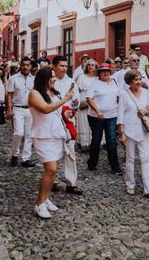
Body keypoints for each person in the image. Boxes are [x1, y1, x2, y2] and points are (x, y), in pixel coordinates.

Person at [28, 67, 74, 219]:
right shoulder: (34, 93)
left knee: (54, 171)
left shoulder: (54, 93)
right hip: (42, 136)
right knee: (50, 169)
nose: (55, 79)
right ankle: (39, 204)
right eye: (52, 76)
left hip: (55, 134)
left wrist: (66, 113)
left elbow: (56, 111)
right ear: (44, 78)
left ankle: (46, 199)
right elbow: (45, 109)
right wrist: (65, 99)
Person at [117, 70, 149, 198]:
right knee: (130, 159)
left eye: (140, 79)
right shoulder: (124, 95)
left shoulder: (147, 93)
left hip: (143, 129)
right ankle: (130, 184)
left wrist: (145, 111)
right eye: (136, 79)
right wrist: (122, 133)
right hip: (129, 131)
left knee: (145, 159)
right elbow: (120, 115)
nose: (139, 81)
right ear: (130, 82)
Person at [51, 55, 83, 195]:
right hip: (53, 120)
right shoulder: (50, 82)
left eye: (65, 66)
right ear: (54, 66)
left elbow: (76, 101)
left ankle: (71, 183)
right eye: (61, 66)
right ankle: (53, 180)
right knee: (54, 151)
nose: (64, 68)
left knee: (70, 152)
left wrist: (72, 111)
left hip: (68, 120)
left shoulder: (71, 83)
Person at [85, 62, 122, 174]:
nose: (105, 73)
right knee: (96, 140)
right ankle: (92, 163)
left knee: (111, 141)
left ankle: (115, 167)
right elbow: (89, 98)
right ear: (99, 73)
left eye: (107, 71)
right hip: (96, 117)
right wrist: (98, 111)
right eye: (103, 71)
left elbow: (119, 96)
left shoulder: (114, 82)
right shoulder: (94, 83)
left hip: (112, 116)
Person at [6, 57, 36, 167]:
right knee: (18, 132)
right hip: (17, 108)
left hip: (30, 109)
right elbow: (9, 95)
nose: (25, 67)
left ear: (31, 66)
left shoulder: (34, 79)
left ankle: (25, 158)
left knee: (29, 134)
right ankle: (15, 154)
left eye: (28, 65)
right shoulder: (13, 78)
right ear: (20, 66)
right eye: (23, 65)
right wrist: (9, 109)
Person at [76, 59, 98, 151]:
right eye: (89, 65)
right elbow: (76, 91)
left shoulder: (97, 78)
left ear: (96, 67)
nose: (90, 66)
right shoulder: (81, 77)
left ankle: (94, 143)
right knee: (83, 122)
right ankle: (84, 143)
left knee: (94, 123)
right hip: (83, 102)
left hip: (94, 103)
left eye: (92, 65)